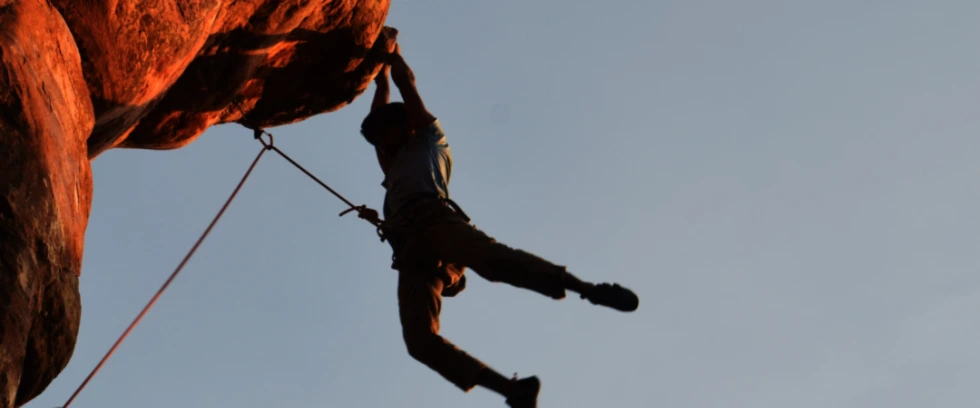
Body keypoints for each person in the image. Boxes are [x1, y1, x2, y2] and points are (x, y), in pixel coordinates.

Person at [356, 42, 639, 408]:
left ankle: (589, 289)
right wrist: (379, 81)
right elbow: (382, 106)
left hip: (437, 222)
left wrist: (393, 57)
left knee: (493, 261)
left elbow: (407, 86)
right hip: (412, 252)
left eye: (384, 137)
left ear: (404, 126)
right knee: (419, 342)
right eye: (377, 141)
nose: (381, 146)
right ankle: (512, 390)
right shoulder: (392, 165)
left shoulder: (429, 140)